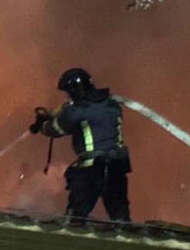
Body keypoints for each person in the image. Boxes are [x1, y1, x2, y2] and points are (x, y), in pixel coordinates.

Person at [29, 68, 131, 221]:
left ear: (75, 90)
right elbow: (95, 116)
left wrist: (42, 124)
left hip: (90, 171)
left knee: (75, 218)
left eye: (68, 93)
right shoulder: (112, 105)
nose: (68, 97)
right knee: (121, 218)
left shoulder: (76, 111)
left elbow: (55, 129)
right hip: (117, 168)